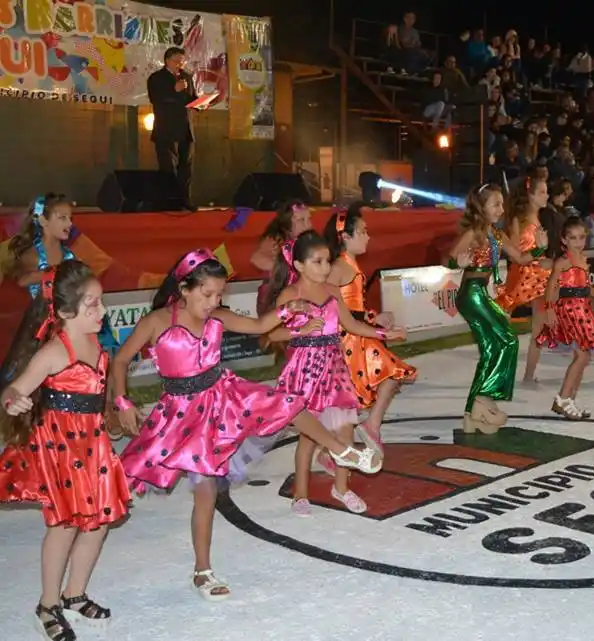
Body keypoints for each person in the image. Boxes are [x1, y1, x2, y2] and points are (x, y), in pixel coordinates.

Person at [114, 249, 382, 601]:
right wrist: (122, 401)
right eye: (207, 294)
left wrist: (289, 310)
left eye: (219, 294)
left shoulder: (218, 317)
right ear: (184, 289)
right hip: (182, 415)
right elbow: (119, 361)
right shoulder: (158, 322)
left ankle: (343, 451)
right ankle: (202, 570)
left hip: (221, 394)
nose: (214, 301)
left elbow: (258, 325)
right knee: (205, 493)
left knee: (285, 404)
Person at [0, 260, 131, 640]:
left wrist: (111, 413)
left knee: (100, 519)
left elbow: (98, 392)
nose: (102, 311)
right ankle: (47, 603)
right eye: (93, 304)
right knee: (65, 524)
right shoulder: (55, 352)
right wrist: (13, 402)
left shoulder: (96, 342)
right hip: (61, 446)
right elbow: (13, 390)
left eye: (101, 301)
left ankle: (74, 593)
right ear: (66, 311)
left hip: (93, 442)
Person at [264, 231, 406, 516]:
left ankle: (341, 488)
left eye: (327, 260)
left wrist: (382, 332)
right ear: (299, 265)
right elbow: (269, 334)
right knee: (309, 437)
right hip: (305, 372)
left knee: (345, 430)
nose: (326, 267)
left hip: (334, 368)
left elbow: (350, 326)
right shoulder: (291, 295)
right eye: (317, 262)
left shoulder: (331, 291)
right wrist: (298, 330)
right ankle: (300, 495)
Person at [446, 184, 547, 434]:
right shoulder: (474, 234)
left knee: (492, 349)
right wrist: (455, 262)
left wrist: (540, 247)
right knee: (508, 341)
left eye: (502, 204)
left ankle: (473, 414)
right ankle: (485, 399)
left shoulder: (497, 235)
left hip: (480, 293)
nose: (501, 209)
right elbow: (448, 258)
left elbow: (522, 259)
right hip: (472, 294)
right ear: (482, 207)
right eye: (496, 204)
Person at [322, 204, 416, 455]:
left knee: (362, 392)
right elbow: (333, 306)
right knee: (391, 375)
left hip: (359, 334)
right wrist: (377, 327)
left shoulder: (350, 266)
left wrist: (373, 317)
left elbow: (351, 307)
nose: (368, 236)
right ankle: (371, 426)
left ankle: (331, 452)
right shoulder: (340, 267)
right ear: (346, 237)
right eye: (362, 231)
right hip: (351, 340)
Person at [6, 194, 119, 356]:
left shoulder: (69, 255)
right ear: (44, 221)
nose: (70, 224)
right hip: (43, 326)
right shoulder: (33, 256)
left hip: (70, 321)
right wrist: (56, 272)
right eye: (63, 218)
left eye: (70, 218)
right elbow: (22, 280)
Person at [536, 216, 594, 420]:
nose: (578, 242)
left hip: (582, 308)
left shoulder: (583, 260)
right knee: (581, 356)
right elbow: (552, 286)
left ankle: (569, 400)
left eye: (581, 237)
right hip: (569, 310)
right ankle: (562, 399)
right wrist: (550, 309)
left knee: (585, 356)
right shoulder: (563, 262)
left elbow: (585, 286)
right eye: (573, 238)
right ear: (564, 241)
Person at [496, 176, 551, 385]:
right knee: (501, 323)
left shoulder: (539, 219)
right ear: (530, 195)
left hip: (540, 276)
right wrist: (536, 249)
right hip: (522, 276)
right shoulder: (519, 220)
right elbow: (515, 253)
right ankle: (498, 373)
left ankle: (529, 375)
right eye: (542, 192)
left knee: (540, 328)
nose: (547, 195)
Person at [147, 46, 198, 210]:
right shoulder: (156, 78)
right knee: (168, 168)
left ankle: (186, 200)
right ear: (167, 60)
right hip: (166, 128)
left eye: (182, 62)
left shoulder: (187, 77)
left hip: (185, 127)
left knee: (186, 167)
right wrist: (173, 90)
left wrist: (201, 103)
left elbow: (191, 98)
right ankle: (169, 201)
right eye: (176, 62)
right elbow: (156, 99)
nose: (179, 65)